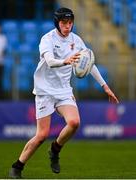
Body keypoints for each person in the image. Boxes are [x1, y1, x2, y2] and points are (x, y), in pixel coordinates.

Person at [9, 7, 119, 178]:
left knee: (74, 122)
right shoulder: (47, 39)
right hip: (45, 90)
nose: (68, 26)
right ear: (57, 23)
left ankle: (55, 149)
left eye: (70, 23)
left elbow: (90, 63)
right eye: (64, 23)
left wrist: (105, 86)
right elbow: (51, 62)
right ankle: (18, 166)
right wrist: (65, 61)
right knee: (41, 135)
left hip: (63, 90)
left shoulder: (76, 40)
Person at [0, 21, 7, 99]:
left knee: (0, 79)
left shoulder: (3, 37)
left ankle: (0, 96)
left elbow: (3, 50)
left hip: (0, 62)